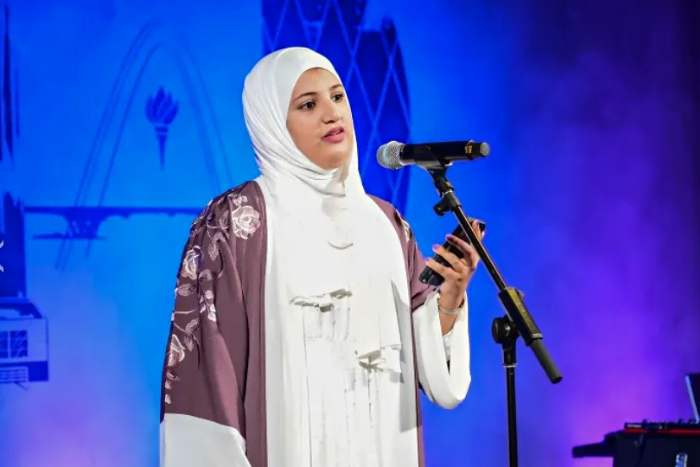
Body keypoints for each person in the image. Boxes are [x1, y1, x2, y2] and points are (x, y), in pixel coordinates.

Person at [159, 47, 484, 467]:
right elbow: (206, 378)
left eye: (337, 97)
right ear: (273, 123)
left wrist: (451, 295)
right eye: (308, 105)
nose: (332, 114)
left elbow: (436, 379)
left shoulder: (387, 225)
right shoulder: (240, 222)